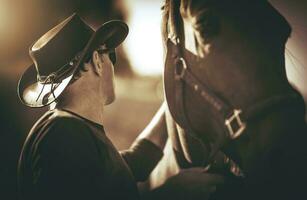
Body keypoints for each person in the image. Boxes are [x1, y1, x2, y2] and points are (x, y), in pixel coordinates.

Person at [17, 13, 223, 200]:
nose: (112, 65)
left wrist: (174, 97)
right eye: (111, 54)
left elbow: (132, 165)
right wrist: (169, 194)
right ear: (97, 61)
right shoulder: (65, 133)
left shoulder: (70, 129)